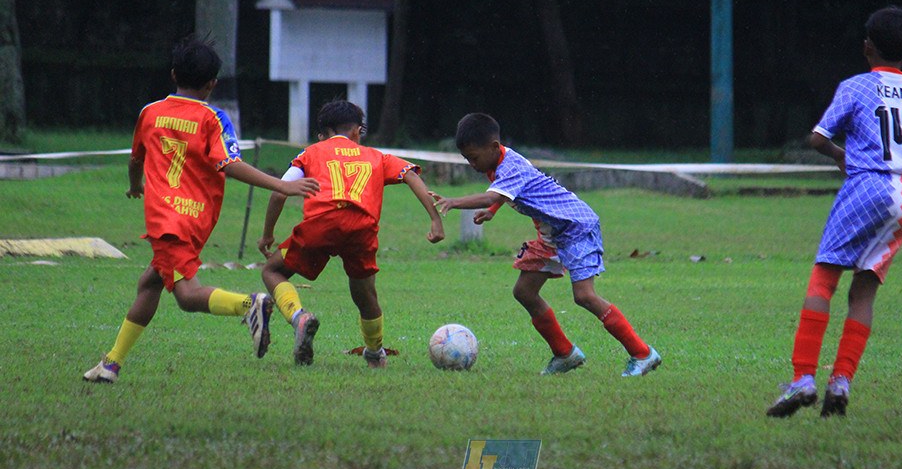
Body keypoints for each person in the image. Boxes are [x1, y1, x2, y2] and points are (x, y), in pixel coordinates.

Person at [83, 35, 320, 384]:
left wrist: (136, 186)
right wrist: (279, 182)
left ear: (174, 73)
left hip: (165, 219)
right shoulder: (214, 117)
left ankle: (250, 304)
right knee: (149, 283)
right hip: (196, 218)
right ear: (212, 84)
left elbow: (136, 160)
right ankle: (111, 364)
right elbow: (229, 163)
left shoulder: (150, 113)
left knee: (186, 296)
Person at [766, 5, 902, 418]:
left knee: (824, 279)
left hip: (865, 184)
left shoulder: (855, 88)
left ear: (867, 46)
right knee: (864, 289)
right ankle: (842, 381)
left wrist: (839, 155)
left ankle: (802, 379)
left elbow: (817, 139)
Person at [432, 113, 661, 377]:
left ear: (494, 147)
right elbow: (503, 193)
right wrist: (494, 209)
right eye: (467, 159)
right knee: (524, 292)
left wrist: (453, 201)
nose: (472, 164)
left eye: (474, 157)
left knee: (584, 296)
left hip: (576, 227)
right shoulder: (496, 161)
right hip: (551, 234)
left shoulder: (510, 165)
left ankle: (643, 353)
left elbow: (492, 194)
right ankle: (565, 354)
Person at [257, 100, 445, 368]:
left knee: (272, 271)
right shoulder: (376, 156)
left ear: (323, 134)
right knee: (365, 293)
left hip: (319, 224)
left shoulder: (311, 152)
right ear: (358, 131)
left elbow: (279, 192)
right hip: (361, 226)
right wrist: (435, 219)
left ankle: (299, 317)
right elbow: (411, 175)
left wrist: (267, 235)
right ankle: (374, 353)